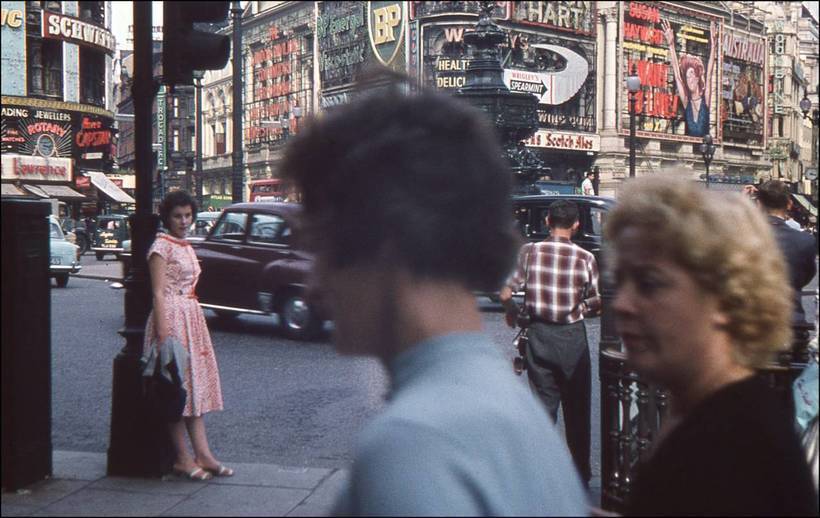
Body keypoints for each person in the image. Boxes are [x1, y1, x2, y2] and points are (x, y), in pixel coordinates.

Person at [282, 78, 587, 516]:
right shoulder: (511, 406)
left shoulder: (410, 445)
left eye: (322, 246)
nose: (312, 282)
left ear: (383, 242)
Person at [606, 176, 817, 516]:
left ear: (723, 299)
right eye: (621, 281)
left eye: (649, 283)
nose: (622, 303)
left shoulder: (727, 448)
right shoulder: (713, 415)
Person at [500, 200, 601, 487]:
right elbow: (597, 302)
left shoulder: (530, 252)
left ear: (547, 221)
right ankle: (580, 475)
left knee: (543, 408)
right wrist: (580, 308)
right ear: (576, 224)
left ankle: (539, 474)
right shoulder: (585, 258)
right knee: (577, 408)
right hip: (572, 339)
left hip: (539, 337)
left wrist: (514, 314)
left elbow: (506, 292)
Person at [144, 190, 233, 482]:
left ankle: (203, 454)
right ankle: (182, 458)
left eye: (188, 215)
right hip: (170, 317)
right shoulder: (161, 246)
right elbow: (157, 291)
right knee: (173, 388)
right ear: (167, 218)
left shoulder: (183, 244)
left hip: (190, 316)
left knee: (193, 388)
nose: (184, 221)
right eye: (177, 216)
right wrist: (162, 332)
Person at [753, 180, 817, 325]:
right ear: (789, 204)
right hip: (791, 324)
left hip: (754, 327)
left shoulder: (743, 236)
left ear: (758, 204)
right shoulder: (804, 240)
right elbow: (805, 276)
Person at [662, 19, 717, 137]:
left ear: (698, 77)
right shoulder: (686, 101)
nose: (689, 79)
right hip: (689, 147)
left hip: (705, 148)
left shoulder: (705, 100)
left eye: (692, 75)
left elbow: (710, 74)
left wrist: (713, 45)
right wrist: (671, 45)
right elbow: (677, 75)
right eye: (687, 77)